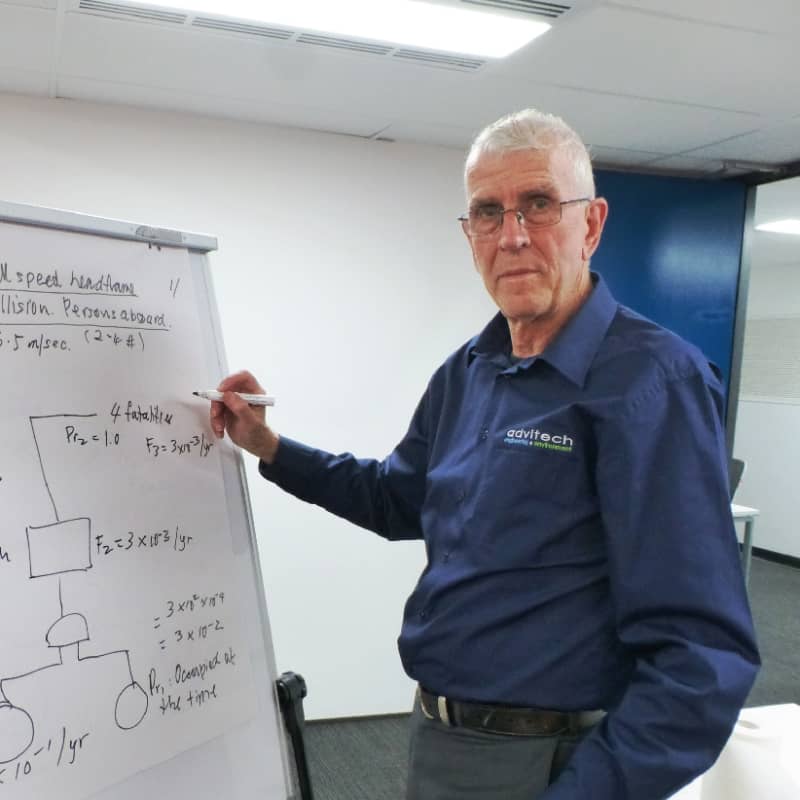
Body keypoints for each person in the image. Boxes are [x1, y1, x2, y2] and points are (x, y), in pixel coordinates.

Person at [209, 108, 760, 799]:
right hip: (442, 737)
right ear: (469, 233)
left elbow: (703, 656)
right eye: (487, 213)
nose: (513, 235)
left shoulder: (653, 383)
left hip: (553, 760)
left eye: (539, 204)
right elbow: (397, 499)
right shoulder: (469, 371)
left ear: (591, 225)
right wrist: (268, 446)